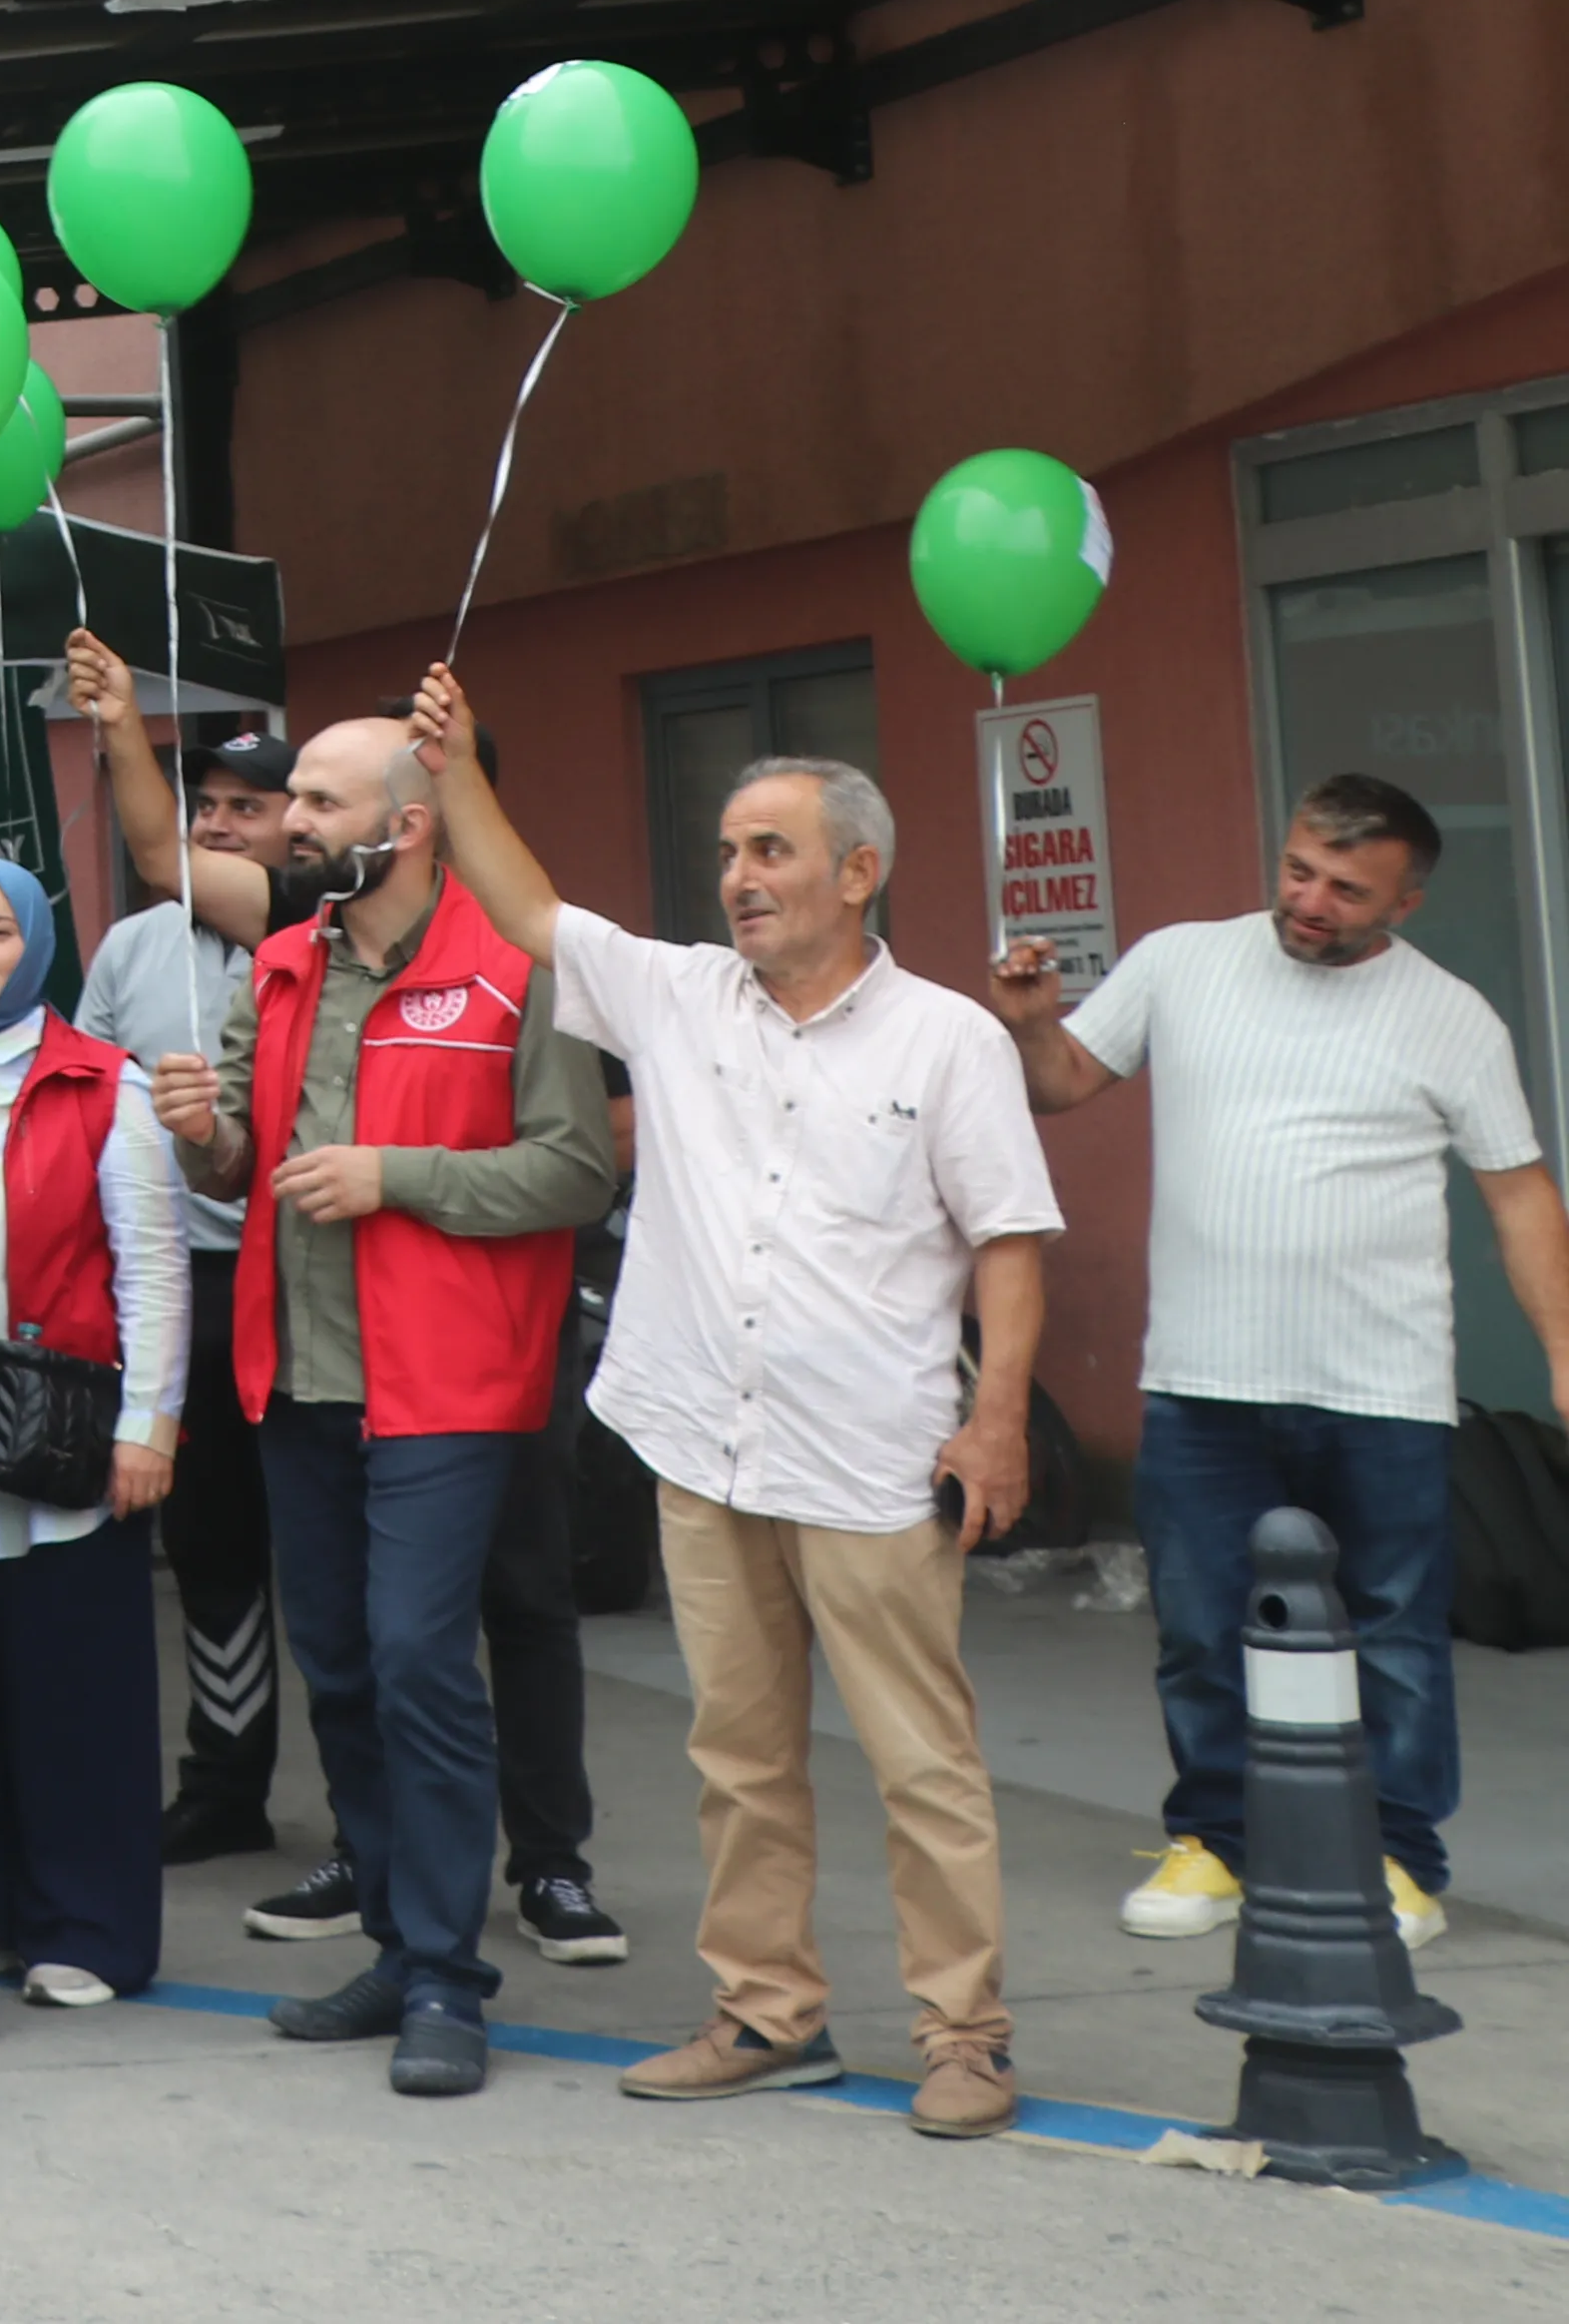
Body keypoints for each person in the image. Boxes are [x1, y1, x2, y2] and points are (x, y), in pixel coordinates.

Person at [419, 683, 1050, 2140]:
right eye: (726, 851)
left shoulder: (948, 1042)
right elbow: (530, 908)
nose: (739, 878)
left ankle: (967, 2036)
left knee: (922, 1763)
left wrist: (998, 1413)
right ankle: (768, 2012)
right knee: (739, 1756)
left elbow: (1010, 1240)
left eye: (770, 849)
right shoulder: (679, 994)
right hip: (704, 1442)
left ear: (857, 872)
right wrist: (454, 774)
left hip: (876, 1459)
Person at [78, 643, 621, 1971]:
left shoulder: (518, 962)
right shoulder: (284, 964)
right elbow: (247, 1169)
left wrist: (397, 1178)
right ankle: (394, 1942)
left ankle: (449, 1964)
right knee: (349, 1671)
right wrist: (206, 1136)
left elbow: (576, 1170)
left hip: (449, 1386)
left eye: (316, 803)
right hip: (298, 1381)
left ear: (409, 825)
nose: (289, 823)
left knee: (424, 1662)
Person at [979, 767, 1569, 1957]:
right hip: (1203, 1380)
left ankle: (1400, 1854)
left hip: (1382, 1384)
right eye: (1300, 869)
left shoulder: (1453, 1014)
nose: (1310, 898)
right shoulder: (1180, 961)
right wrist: (1033, 1018)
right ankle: (1217, 1838)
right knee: (1201, 1623)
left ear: (1403, 904)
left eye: (1347, 888)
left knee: (1395, 1632)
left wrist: (1564, 1351)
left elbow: (1519, 1198)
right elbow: (1061, 1086)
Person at [0, 859, 184, 2009]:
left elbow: (154, 1268)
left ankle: (90, 1927)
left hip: (61, 1432)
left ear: (38, 945)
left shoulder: (104, 1082)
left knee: (74, 1691)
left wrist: (149, 1424)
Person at [59, 642, 294, 1863]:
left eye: (245, 809)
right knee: (204, 1542)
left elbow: (156, 851)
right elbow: (90, 1101)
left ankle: (375, 1811)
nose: (217, 828)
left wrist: (119, 724)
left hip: (296, 1274)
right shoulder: (135, 947)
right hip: (174, 1283)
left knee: (318, 1542)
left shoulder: (317, 929)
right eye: (205, 808)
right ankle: (227, 1778)